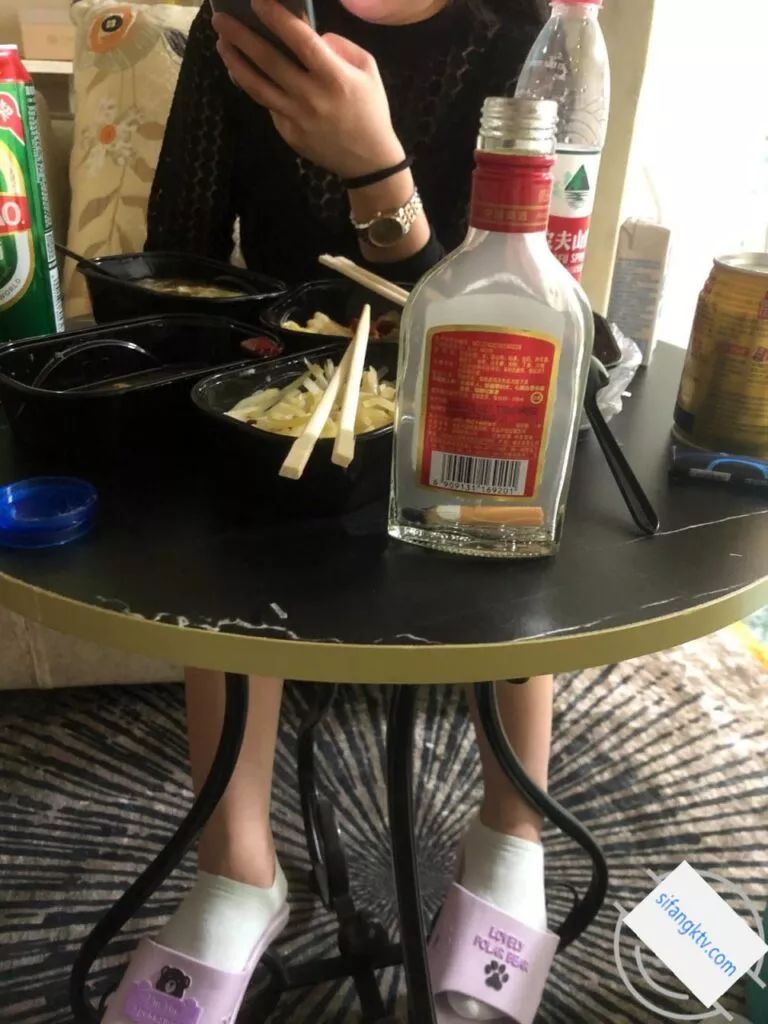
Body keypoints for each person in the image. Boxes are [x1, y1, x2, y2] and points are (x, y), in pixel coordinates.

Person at [107, 1, 553, 1022]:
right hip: (285, 397)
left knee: (519, 471)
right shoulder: (249, 19)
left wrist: (377, 171)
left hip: (467, 397)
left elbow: (525, 310)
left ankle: (511, 834)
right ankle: (238, 867)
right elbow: (177, 260)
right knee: (231, 491)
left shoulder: (527, 30)